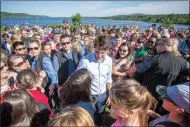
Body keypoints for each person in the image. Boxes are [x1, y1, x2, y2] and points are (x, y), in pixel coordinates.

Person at [126, 38, 189, 115]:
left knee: (147, 114)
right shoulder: (183, 62)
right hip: (171, 99)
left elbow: (135, 69)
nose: (156, 46)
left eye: (158, 44)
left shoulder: (154, 58)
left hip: (151, 95)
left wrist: (127, 71)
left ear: (165, 45)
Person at [76, 35, 112, 126]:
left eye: (102, 53)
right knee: (89, 119)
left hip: (103, 95)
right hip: (89, 96)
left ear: (107, 50)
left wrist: (110, 94)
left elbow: (108, 79)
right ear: (94, 48)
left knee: (100, 117)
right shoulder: (85, 60)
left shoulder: (109, 61)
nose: (99, 55)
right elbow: (76, 77)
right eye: (97, 52)